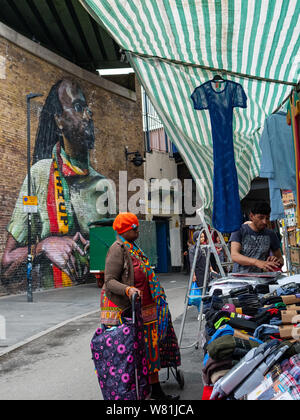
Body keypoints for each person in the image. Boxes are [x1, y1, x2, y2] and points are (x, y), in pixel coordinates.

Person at [1, 79, 113, 288]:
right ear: (59, 121)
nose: (89, 115)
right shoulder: (40, 175)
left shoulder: (103, 186)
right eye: (78, 107)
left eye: (87, 108)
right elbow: (6, 263)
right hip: (52, 300)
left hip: (94, 299)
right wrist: (43, 246)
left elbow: (114, 252)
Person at [101, 212, 181, 400]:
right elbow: (109, 281)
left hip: (147, 309)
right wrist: (128, 290)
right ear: (125, 230)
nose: (137, 231)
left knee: (151, 350)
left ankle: (155, 391)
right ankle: (134, 392)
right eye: (134, 228)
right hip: (129, 311)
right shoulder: (117, 248)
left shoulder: (133, 247)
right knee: (132, 352)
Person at [230, 201, 284, 273]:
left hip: (262, 279)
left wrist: (276, 261)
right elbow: (234, 255)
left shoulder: (271, 234)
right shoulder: (239, 230)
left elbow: (280, 259)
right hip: (241, 279)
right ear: (251, 216)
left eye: (267, 218)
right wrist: (257, 262)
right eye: (261, 218)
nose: (264, 221)